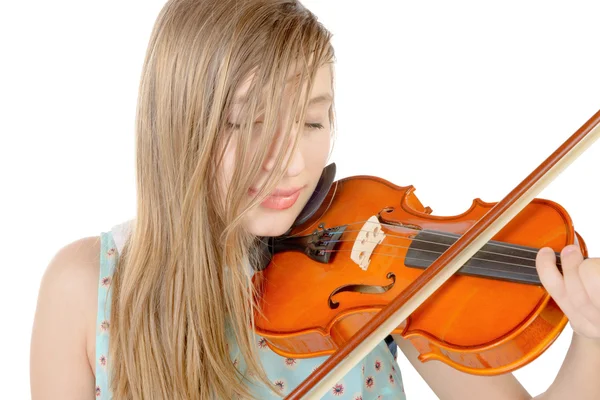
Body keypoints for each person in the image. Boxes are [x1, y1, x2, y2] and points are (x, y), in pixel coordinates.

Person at [29, 0, 600, 399]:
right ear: (179, 125)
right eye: (249, 121)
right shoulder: (87, 288)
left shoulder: (371, 279)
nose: (292, 162)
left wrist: (592, 338)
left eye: (311, 119)